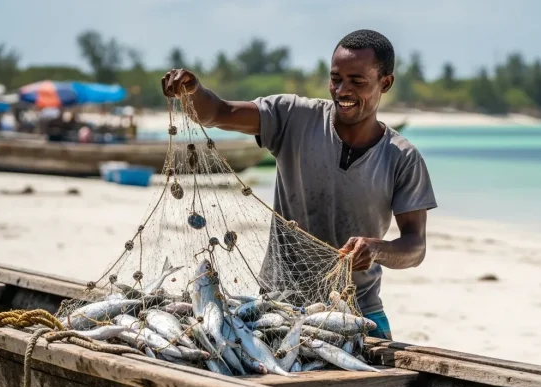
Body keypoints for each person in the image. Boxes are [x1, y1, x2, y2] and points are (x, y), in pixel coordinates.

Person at [161, 29, 437, 340]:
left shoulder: (403, 158)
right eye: (336, 79)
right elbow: (219, 112)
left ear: (385, 83)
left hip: (357, 310)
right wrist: (193, 91)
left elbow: (415, 248)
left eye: (357, 81)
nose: (342, 90)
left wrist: (378, 250)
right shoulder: (293, 117)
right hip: (277, 309)